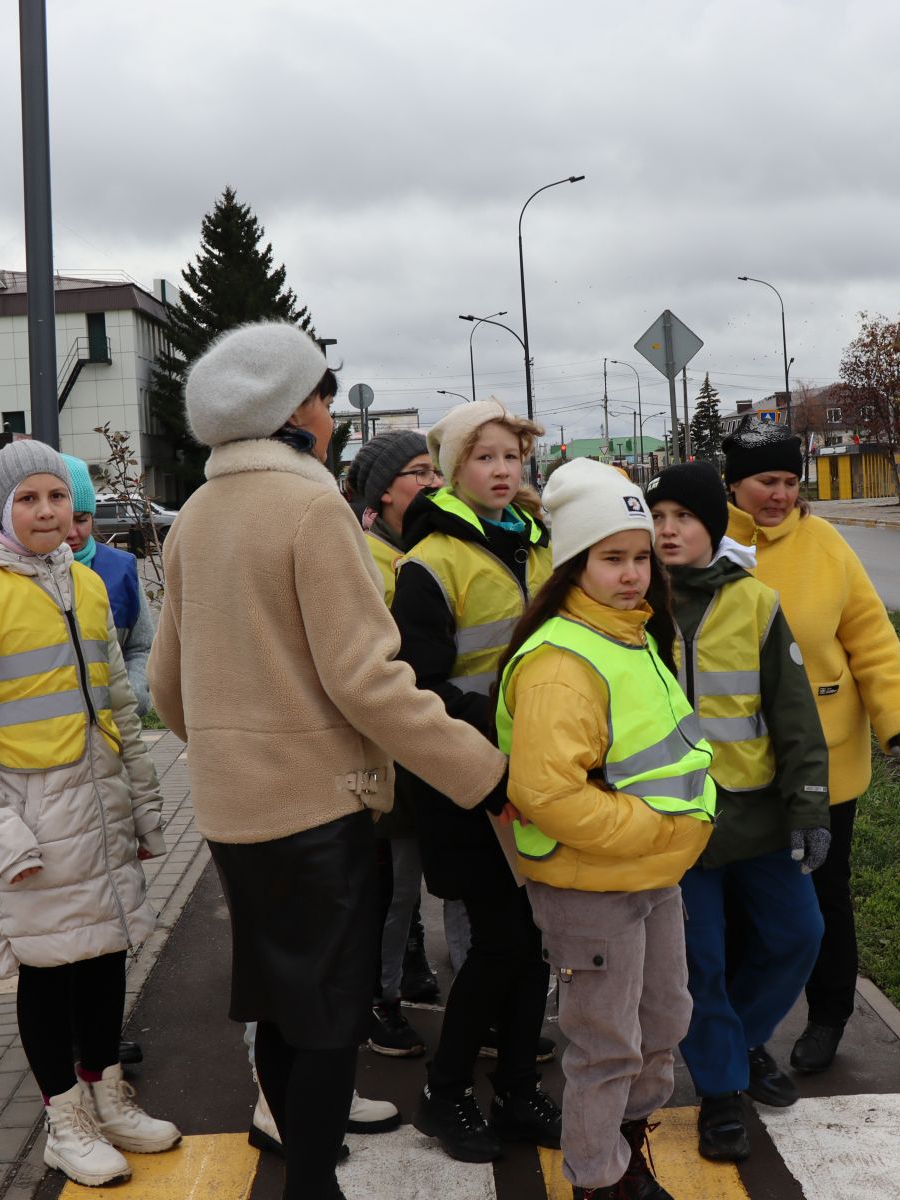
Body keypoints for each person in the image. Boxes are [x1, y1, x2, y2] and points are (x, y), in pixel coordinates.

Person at [148, 323, 508, 1200]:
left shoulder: (195, 515)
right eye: (320, 393)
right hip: (318, 812)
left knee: (279, 1006)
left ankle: (307, 1180)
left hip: (235, 814)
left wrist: (239, 749)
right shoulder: (312, 508)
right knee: (328, 1021)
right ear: (290, 414)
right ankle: (312, 1188)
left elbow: (166, 684)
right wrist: (485, 773)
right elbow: (368, 681)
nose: (330, 409)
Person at [0, 440, 179, 1188]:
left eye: (57, 498)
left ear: (76, 508)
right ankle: (65, 1120)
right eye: (29, 500)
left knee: (104, 956)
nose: (46, 512)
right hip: (30, 821)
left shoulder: (87, 585)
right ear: (2, 509)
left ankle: (106, 1095)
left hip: (99, 810)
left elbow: (120, 708)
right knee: (46, 968)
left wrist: (143, 805)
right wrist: (1, 835)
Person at [497, 459, 717, 1200]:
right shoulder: (564, 659)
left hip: (650, 876)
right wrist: (654, 829)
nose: (631, 574)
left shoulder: (630, 636)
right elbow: (547, 793)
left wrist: (674, 831)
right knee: (604, 1045)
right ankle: (598, 1182)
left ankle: (626, 1146)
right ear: (572, 566)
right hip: (591, 885)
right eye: (611, 559)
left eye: (640, 557)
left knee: (663, 1023)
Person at [722, 426, 900, 1076]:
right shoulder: (709, 546)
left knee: (824, 893)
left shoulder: (826, 545)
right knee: (739, 903)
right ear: (734, 482)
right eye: (767, 481)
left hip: (825, 763)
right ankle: (745, 1027)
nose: (781, 495)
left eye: (792, 483)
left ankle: (828, 1018)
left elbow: (871, 639)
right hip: (733, 764)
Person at [390, 397, 561, 1163]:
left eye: (512, 458)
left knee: (531, 944)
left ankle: (519, 1092)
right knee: (500, 944)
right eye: (485, 457)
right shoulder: (430, 563)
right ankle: (445, 1090)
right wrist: (504, 716)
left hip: (544, 775)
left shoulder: (536, 545)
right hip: (470, 785)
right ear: (456, 469)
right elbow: (419, 683)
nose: (503, 470)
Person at [645, 462, 829, 1161]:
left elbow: (794, 716)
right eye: (658, 518)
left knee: (796, 936)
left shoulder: (755, 602)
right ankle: (722, 1090)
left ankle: (741, 1040)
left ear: (711, 527)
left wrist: (809, 806)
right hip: (671, 825)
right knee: (701, 963)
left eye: (683, 518)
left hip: (754, 818)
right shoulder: (632, 606)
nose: (668, 531)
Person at [343, 430, 446, 1058]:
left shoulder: (432, 549)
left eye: (436, 473)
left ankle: (402, 972)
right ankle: (376, 1004)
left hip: (428, 743)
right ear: (381, 493)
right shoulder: (362, 559)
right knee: (388, 886)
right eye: (418, 474)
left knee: (410, 884)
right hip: (380, 753)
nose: (433, 484)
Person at [61, 456, 155, 715]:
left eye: (81, 520)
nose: (73, 533)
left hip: (115, 726)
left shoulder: (121, 568)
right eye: (65, 520)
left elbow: (142, 647)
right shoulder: (23, 574)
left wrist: (132, 694)